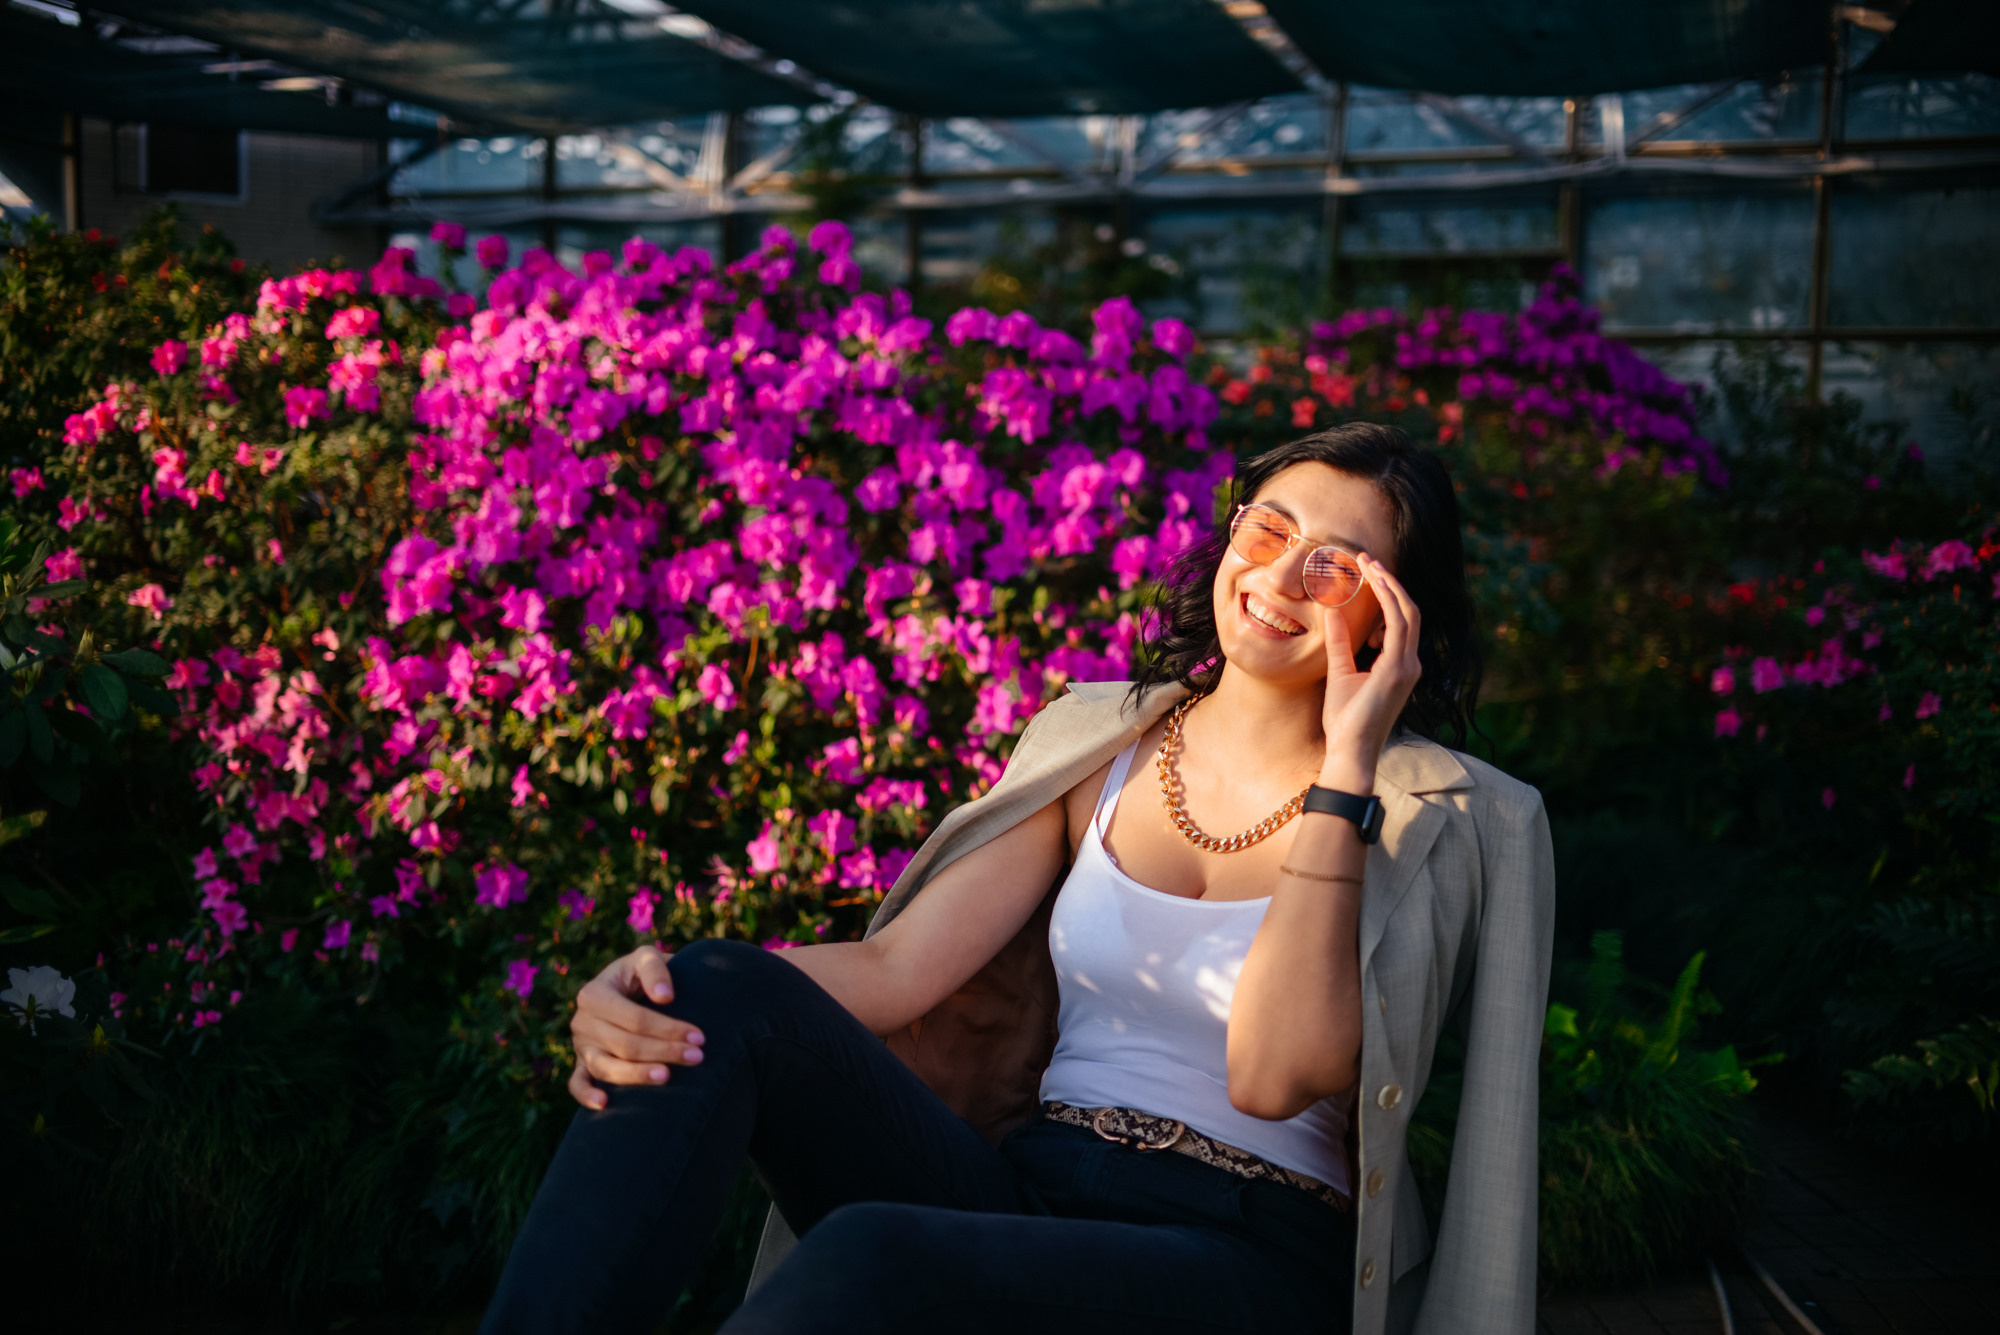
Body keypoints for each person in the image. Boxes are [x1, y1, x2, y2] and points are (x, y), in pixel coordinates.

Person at [481, 423, 1555, 1335]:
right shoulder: (1096, 741)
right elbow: (897, 969)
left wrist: (1344, 767)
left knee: (873, 1260)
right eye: (1268, 531)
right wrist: (651, 988)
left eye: (1332, 565)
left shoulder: (1448, 818)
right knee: (707, 988)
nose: (1278, 580)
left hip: (1248, 1257)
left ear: (1391, 613)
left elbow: (1272, 1079)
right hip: (1035, 1187)